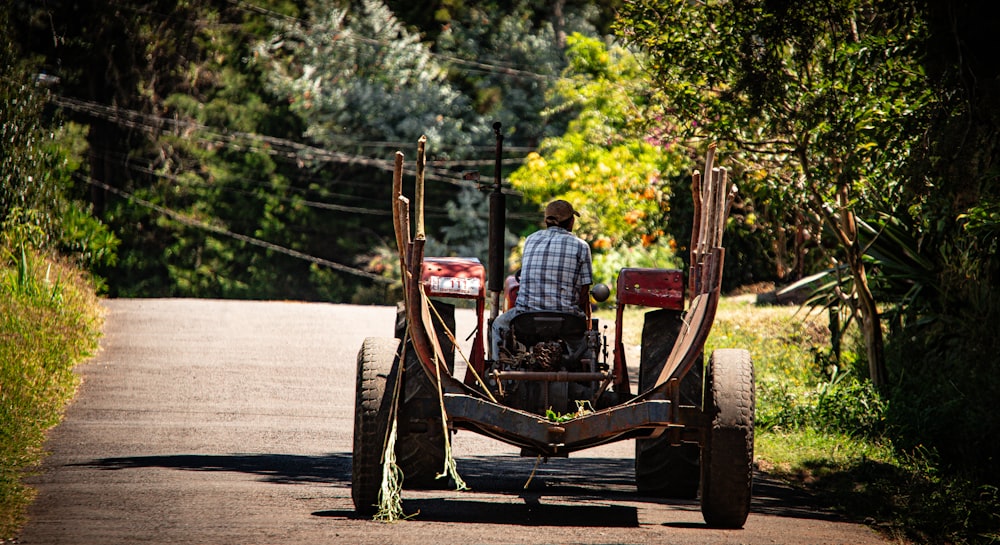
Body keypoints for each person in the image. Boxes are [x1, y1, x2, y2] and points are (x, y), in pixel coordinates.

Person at [490, 199, 593, 359]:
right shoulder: (581, 246)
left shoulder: (530, 239)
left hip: (526, 319)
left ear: (546, 220)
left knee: (497, 325)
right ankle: (581, 371)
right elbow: (584, 290)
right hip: (566, 319)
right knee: (585, 346)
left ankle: (500, 373)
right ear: (571, 222)